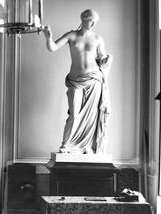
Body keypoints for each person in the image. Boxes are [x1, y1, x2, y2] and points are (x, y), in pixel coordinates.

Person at [42, 9, 113, 154]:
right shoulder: (71, 35)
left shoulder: (98, 38)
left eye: (95, 21)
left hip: (94, 80)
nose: (93, 23)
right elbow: (52, 47)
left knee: (91, 116)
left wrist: (107, 59)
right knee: (74, 114)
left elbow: (102, 58)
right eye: (90, 20)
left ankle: (86, 146)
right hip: (75, 80)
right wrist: (48, 37)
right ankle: (66, 145)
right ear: (84, 19)